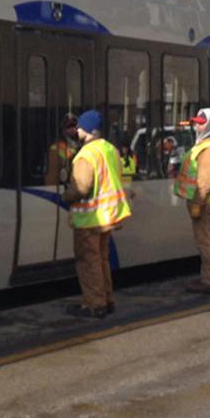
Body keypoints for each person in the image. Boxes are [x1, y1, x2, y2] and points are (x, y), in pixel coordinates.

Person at [61, 109, 131, 318]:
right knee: (102, 260)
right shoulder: (110, 150)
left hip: (89, 218)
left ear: (89, 129)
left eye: (80, 126)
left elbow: (81, 188)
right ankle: (107, 299)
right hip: (106, 215)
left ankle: (94, 304)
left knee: (87, 261)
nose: (77, 130)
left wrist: (66, 194)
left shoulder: (86, 155)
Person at [173, 107, 210, 295]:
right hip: (206, 200)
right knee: (207, 239)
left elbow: (205, 181)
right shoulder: (209, 144)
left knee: (206, 241)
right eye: (196, 121)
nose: (197, 125)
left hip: (205, 202)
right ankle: (209, 277)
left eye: (201, 122)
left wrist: (197, 202)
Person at [44, 113, 79, 185]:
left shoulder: (83, 145)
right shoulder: (55, 149)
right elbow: (52, 179)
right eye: (69, 126)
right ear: (63, 130)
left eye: (75, 126)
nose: (73, 129)